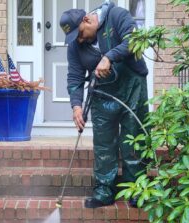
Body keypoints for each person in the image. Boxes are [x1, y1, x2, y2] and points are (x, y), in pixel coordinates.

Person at [59, 1, 148, 208]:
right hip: (102, 93)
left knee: (133, 139)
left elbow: (133, 40)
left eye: (80, 34)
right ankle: (104, 190)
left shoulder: (117, 16)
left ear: (87, 20)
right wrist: (76, 106)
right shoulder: (75, 45)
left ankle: (136, 188)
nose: (79, 40)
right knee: (103, 143)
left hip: (132, 88)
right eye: (75, 37)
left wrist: (109, 56)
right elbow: (74, 76)